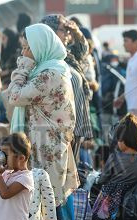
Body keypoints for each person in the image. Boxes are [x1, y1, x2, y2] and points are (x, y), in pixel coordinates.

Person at [3, 23, 79, 220]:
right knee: (53, 210)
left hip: (46, 149)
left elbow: (13, 96)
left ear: (41, 47)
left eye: (28, 47)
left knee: (47, 214)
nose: (24, 52)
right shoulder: (57, 69)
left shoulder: (47, 74)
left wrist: (22, 66)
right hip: (51, 148)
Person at [41, 14, 93, 165]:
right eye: (64, 30)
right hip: (59, 127)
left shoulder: (67, 55)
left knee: (72, 170)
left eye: (68, 31)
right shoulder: (48, 57)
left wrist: (76, 30)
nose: (68, 34)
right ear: (51, 32)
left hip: (76, 124)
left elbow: (83, 49)